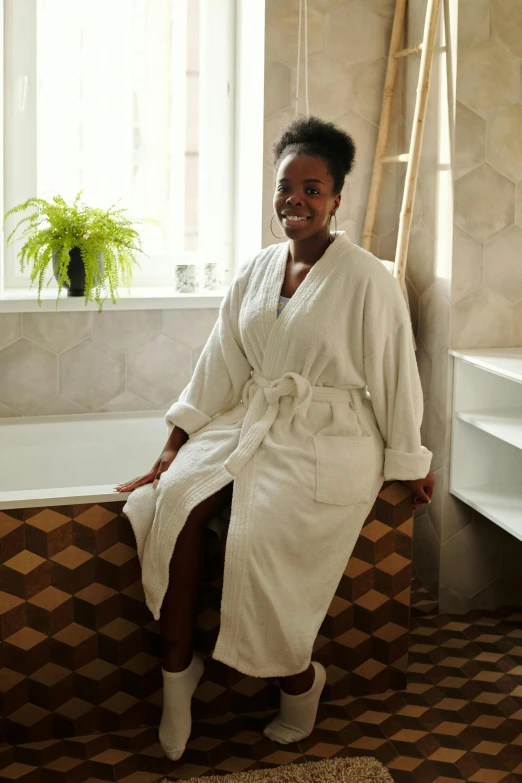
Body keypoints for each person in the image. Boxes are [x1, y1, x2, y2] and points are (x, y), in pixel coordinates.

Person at [116, 115, 435, 761]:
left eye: (312, 188)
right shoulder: (257, 269)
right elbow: (219, 363)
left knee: (257, 542)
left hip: (328, 431)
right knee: (170, 503)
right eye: (286, 186)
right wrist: (176, 440)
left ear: (336, 198)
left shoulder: (368, 276)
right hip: (252, 417)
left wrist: (408, 462)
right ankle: (178, 673)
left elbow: (395, 373)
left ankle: (299, 680)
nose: (296, 199)